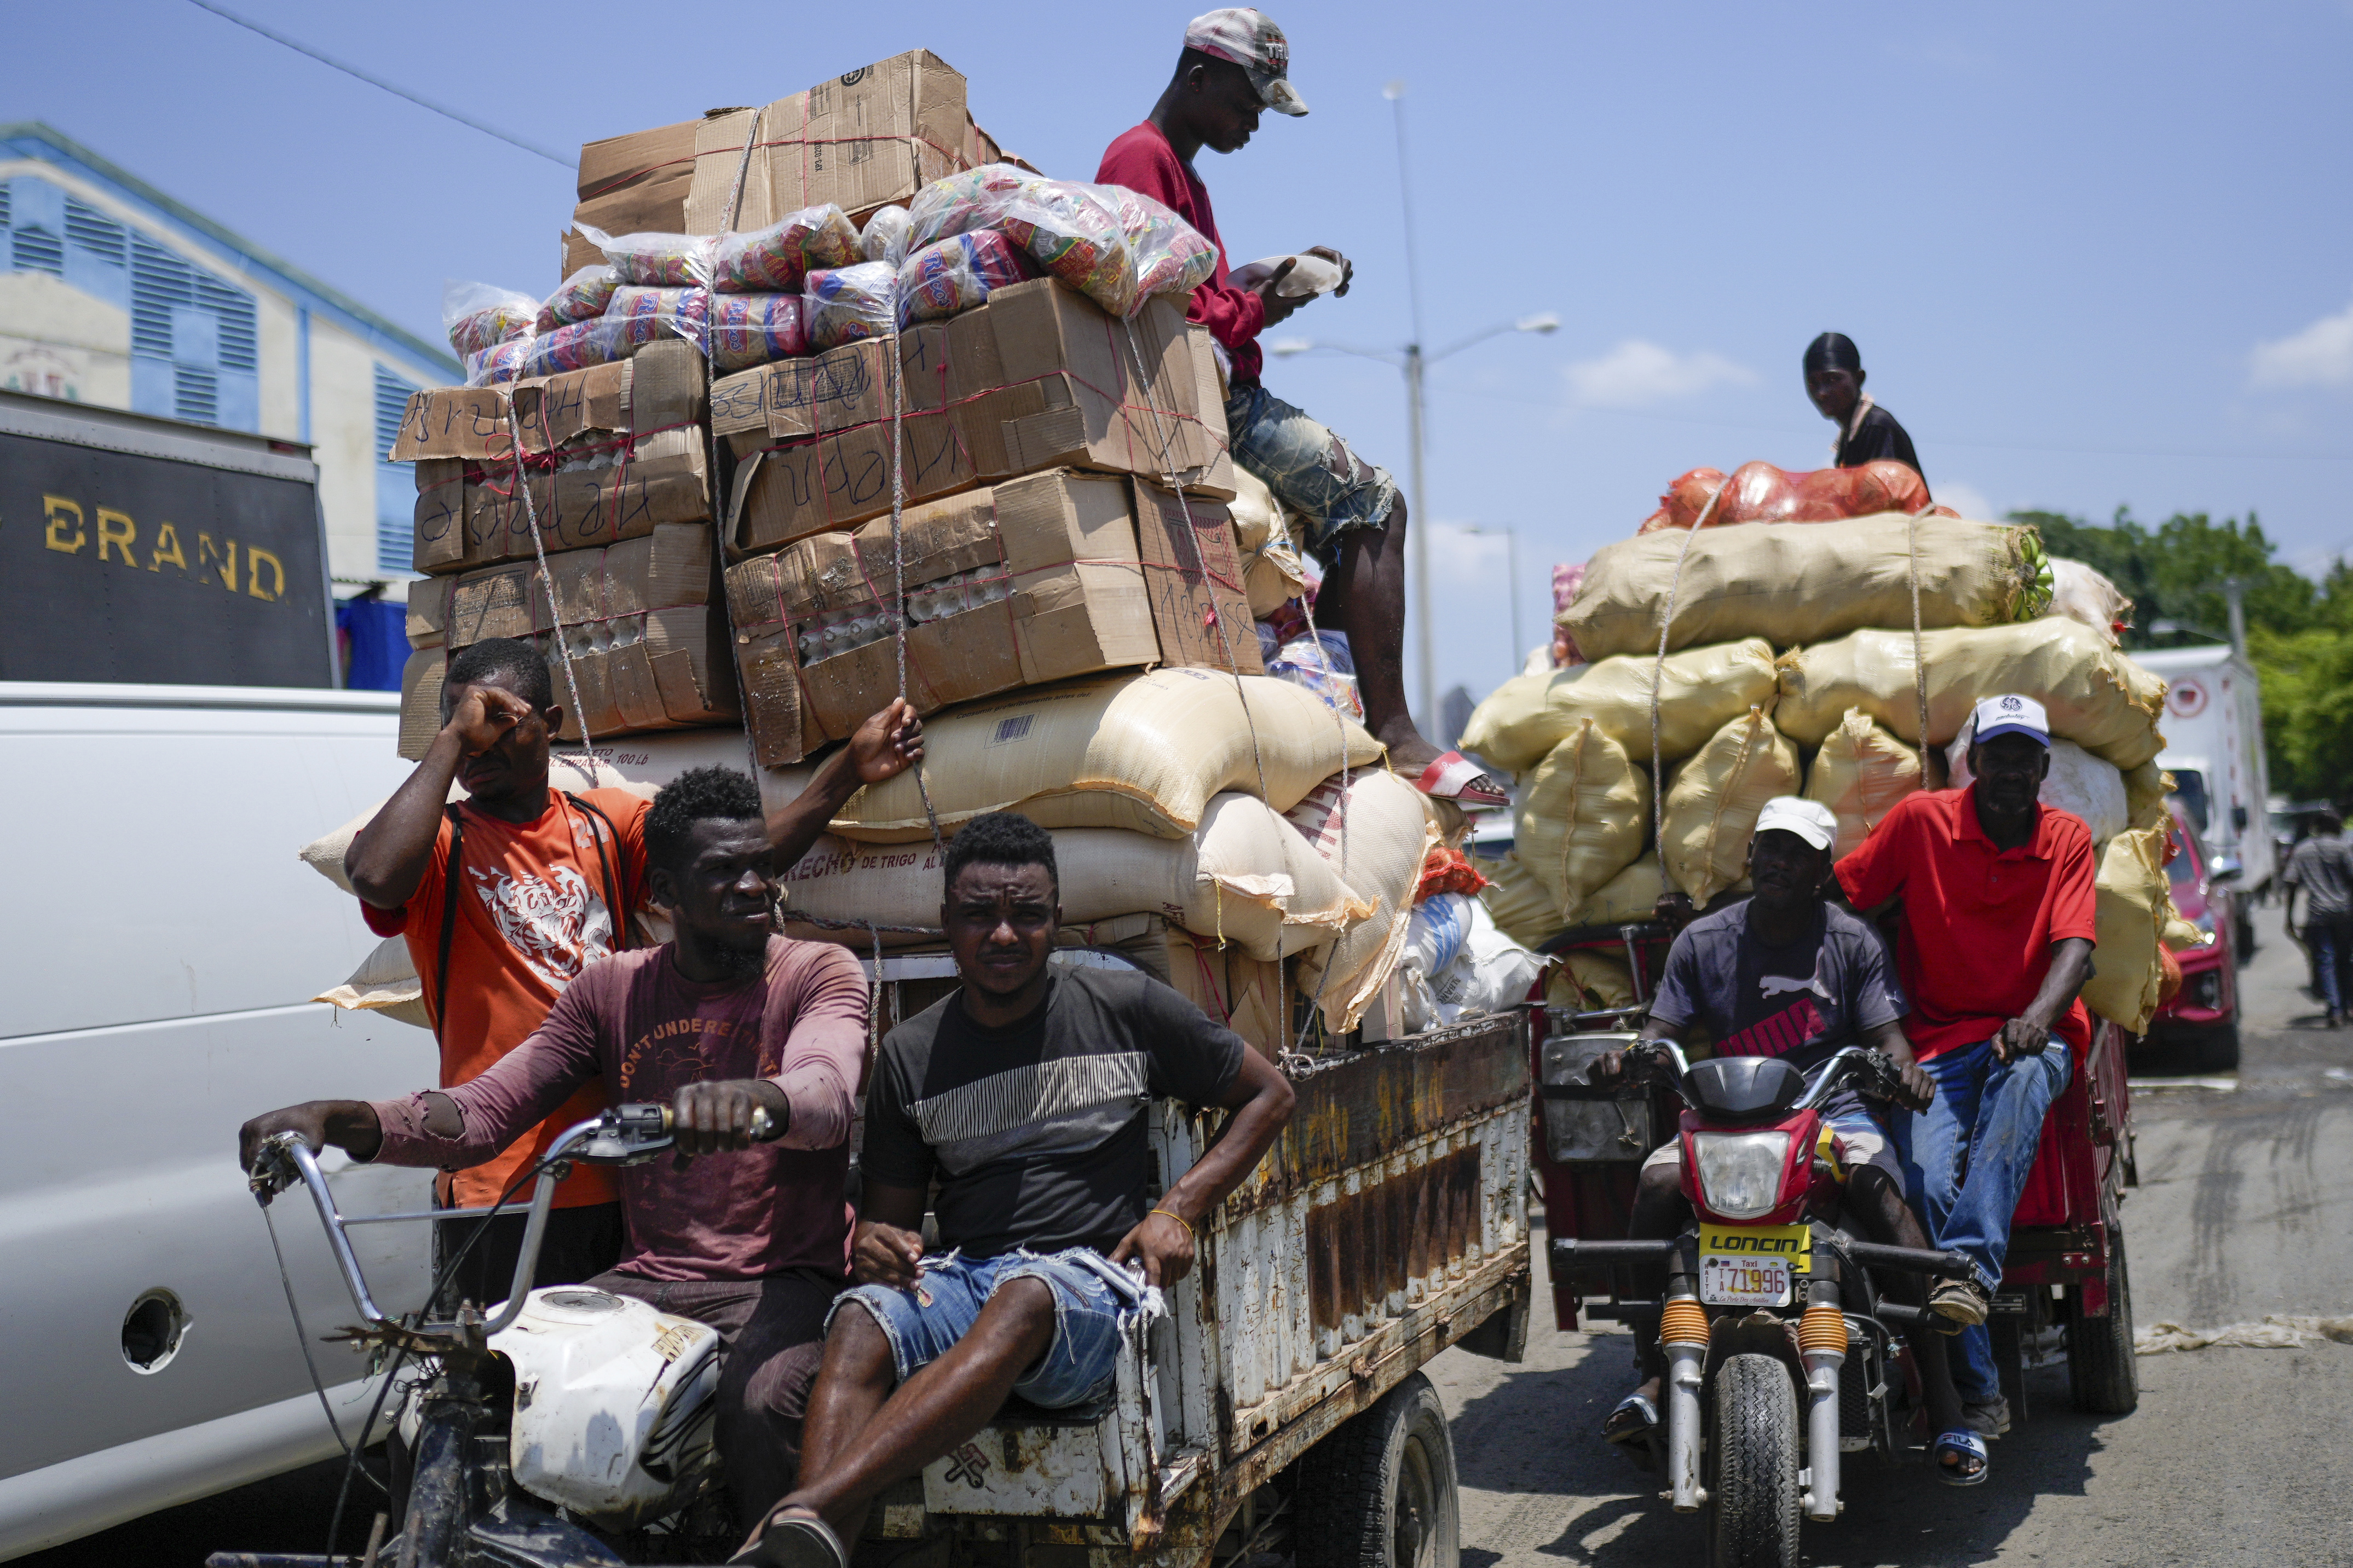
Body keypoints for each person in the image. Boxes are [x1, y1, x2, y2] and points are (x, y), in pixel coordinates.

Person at [241, 767, 871, 1523]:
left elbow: (827, 1091)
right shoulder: (611, 990)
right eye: (722, 871)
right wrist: (340, 1119)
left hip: (781, 1281)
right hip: (648, 1280)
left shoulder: (816, 971)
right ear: (665, 890)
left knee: (761, 1406)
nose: (751, 887)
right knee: (458, 1400)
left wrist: (760, 1100)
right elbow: (483, 1111)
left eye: (759, 867)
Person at [732, 813, 1297, 1568]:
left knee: (1027, 1292)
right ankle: (812, 1546)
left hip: (1086, 1287)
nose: (1003, 934)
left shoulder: (1122, 1008)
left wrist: (1177, 1207)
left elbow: (1271, 1096)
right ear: (945, 924)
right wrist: (878, 1246)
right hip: (967, 1278)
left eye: (1026, 915)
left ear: (1055, 921)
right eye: (979, 915)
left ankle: (800, 1516)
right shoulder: (910, 1055)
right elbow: (889, 1232)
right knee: (863, 1317)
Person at [341, 636, 921, 1308]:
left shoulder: (605, 824)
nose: (480, 742)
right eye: (462, 722)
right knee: (503, 1394)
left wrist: (845, 771)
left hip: (622, 1171)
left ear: (552, 725)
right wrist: (450, 741)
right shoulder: (440, 844)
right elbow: (377, 877)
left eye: (500, 721)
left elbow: (731, 865)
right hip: (500, 1179)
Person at [1095, 9, 1505, 809]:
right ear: (1198, 77)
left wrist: (1271, 277)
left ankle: (1341, 701)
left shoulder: (1175, 170)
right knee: (1375, 506)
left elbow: (1196, 292)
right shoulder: (1140, 159)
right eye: (1248, 103)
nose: (1252, 122)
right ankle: (1394, 727)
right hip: (1208, 404)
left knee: (1333, 541)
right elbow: (1161, 313)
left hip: (1211, 388)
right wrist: (1269, 303)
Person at [1589, 798, 1983, 1483]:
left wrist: (1902, 1071)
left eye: (1795, 853)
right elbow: (1660, 1034)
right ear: (1749, 857)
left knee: (1879, 1188)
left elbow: (1889, 1039)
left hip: (1831, 1111)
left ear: (1820, 872)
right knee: (1655, 1184)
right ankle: (1651, 1374)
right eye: (1768, 847)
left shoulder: (1850, 941)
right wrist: (1632, 1056)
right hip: (1723, 1121)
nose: (1777, 861)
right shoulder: (1703, 941)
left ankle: (1946, 1402)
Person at [1835, 693, 2096, 1440]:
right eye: (1998, 754)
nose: (2011, 770)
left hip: (2032, 1035)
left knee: (2022, 1077)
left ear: (2044, 767)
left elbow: (2074, 949)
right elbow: (1845, 894)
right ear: (1972, 762)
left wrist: (2036, 1019)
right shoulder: (1921, 821)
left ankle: (1970, 1274)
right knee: (1918, 1179)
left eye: (2025, 757)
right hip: (1940, 1042)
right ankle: (1980, 1387)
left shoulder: (2066, 836)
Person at [1803, 332, 1925, 482]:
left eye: (1833, 379)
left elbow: (1885, 500)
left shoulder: (1877, 428)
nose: (1822, 393)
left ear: (1859, 378)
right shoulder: (1849, 438)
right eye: (1813, 383)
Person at [2282, 807, 2353, 1026]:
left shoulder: (2302, 851)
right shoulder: (2343, 849)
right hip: (2344, 912)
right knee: (2346, 959)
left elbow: (2292, 883)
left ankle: (2334, 1010)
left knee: (2325, 959)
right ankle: (2347, 1004)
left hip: (2318, 914)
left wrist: (2289, 917)